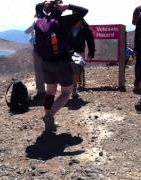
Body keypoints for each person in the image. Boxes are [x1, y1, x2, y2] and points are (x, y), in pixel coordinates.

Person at [34, 0, 88, 131]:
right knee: (66, 93)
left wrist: (48, 4)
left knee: (50, 92)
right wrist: (68, 6)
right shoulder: (65, 20)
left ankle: (49, 120)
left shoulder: (40, 20)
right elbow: (84, 11)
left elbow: (38, 7)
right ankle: (49, 116)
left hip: (46, 62)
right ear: (59, 7)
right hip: (62, 62)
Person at [69, 19, 95, 98]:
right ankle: (69, 89)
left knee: (76, 72)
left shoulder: (85, 29)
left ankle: (73, 90)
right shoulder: (68, 27)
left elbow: (90, 41)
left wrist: (91, 53)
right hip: (67, 53)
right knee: (70, 72)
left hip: (79, 53)